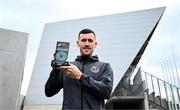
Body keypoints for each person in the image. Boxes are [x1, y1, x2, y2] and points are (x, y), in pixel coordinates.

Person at [45, 28, 113, 110]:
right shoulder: (67, 68)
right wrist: (55, 69)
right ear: (78, 43)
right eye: (84, 40)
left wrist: (80, 76)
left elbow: (106, 92)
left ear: (95, 44)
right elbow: (49, 92)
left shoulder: (104, 67)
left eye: (90, 40)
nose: (87, 44)